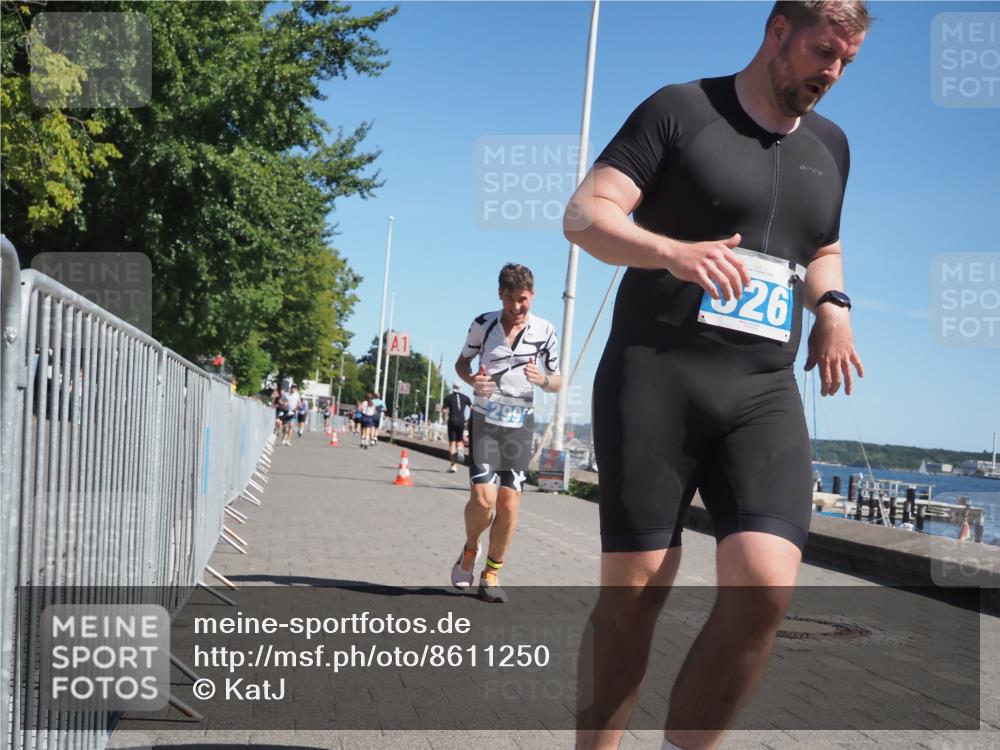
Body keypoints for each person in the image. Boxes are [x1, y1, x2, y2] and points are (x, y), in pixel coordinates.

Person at [563, 2, 869, 747]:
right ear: (778, 31)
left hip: (762, 390)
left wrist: (832, 306)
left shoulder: (832, 146)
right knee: (637, 592)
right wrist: (670, 252)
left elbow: (821, 245)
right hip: (656, 379)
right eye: (824, 52)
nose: (833, 72)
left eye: (847, 61)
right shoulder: (680, 110)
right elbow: (584, 214)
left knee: (765, 585)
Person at [450, 263, 562, 603]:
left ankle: (491, 573)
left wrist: (542, 379)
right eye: (511, 299)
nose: (517, 306)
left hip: (520, 425)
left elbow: (557, 381)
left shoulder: (545, 331)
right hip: (485, 420)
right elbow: (461, 364)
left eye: (523, 299)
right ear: (500, 294)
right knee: (483, 500)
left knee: (509, 503)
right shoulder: (483, 325)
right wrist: (473, 381)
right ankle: (470, 549)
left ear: (533, 295)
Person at [442, 383, 472, 473]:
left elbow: (444, 410)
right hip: (461, 421)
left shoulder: (448, 397)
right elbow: (472, 408)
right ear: (461, 388)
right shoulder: (466, 398)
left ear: (453, 387)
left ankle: (453, 465)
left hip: (452, 420)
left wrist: (444, 412)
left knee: (452, 443)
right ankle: (460, 448)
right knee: (459, 441)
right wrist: (468, 419)